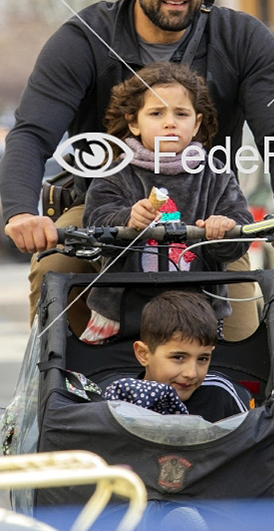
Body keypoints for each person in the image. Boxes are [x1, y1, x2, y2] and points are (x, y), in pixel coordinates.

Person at [0, 0, 274, 337]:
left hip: (210, 220)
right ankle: (53, 398)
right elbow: (31, 134)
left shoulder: (243, 39)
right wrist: (22, 212)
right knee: (54, 271)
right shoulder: (84, 39)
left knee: (252, 345)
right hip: (103, 215)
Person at [79, 61, 254, 344]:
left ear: (196, 123)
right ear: (133, 122)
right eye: (157, 113)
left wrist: (226, 227)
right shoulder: (115, 173)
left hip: (201, 314)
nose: (170, 122)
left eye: (181, 113)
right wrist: (126, 219)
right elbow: (95, 223)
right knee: (103, 378)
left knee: (210, 376)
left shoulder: (215, 174)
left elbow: (240, 234)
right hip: (121, 314)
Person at [103, 290, 253, 422]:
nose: (191, 373)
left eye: (203, 359)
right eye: (179, 357)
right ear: (144, 354)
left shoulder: (221, 394)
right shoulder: (119, 398)